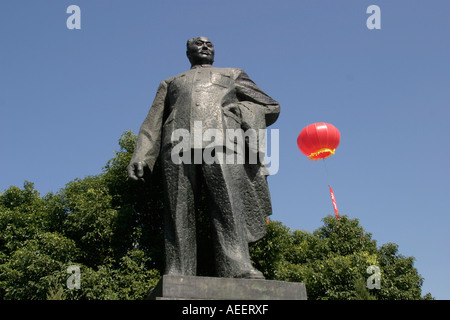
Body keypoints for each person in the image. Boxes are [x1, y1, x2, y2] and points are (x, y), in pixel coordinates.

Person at [128, 36, 280, 279]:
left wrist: (240, 111)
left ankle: (238, 268)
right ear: (188, 52)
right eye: (198, 44)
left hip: (221, 142)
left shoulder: (232, 73)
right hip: (177, 144)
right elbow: (152, 122)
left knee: (228, 204)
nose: (205, 46)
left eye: (209, 44)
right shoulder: (170, 82)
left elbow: (271, 106)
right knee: (178, 210)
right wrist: (142, 155)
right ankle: (179, 271)